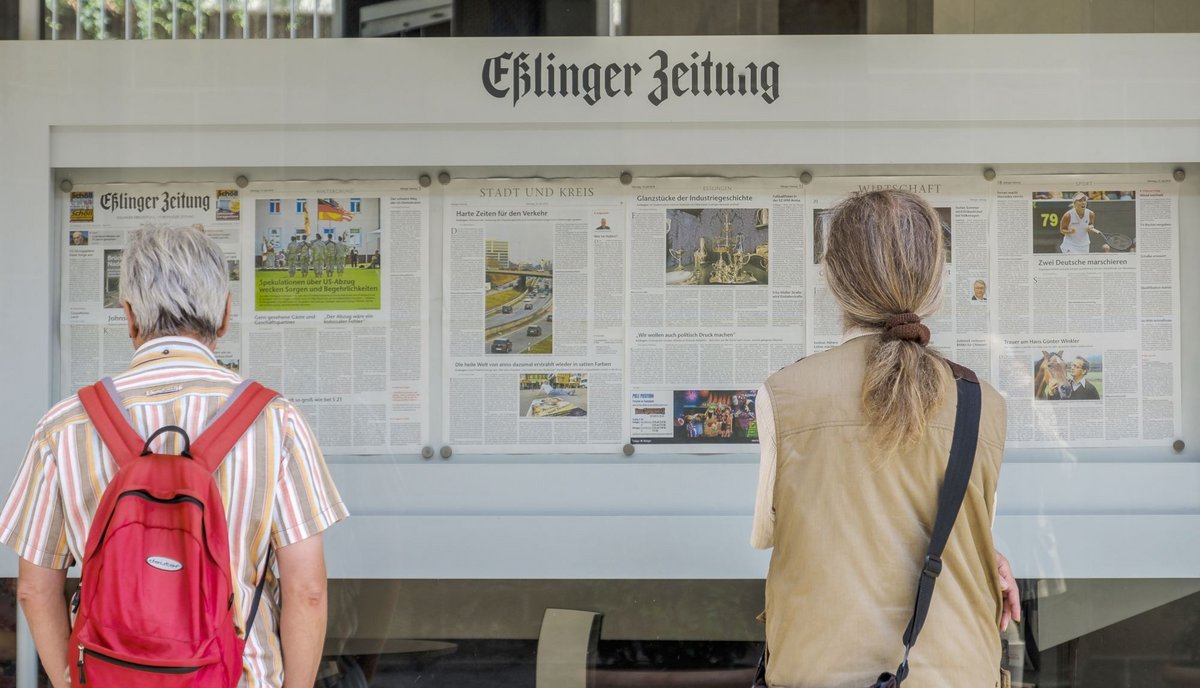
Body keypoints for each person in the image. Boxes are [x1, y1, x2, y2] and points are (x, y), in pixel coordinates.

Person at [0, 225, 347, 688]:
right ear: (225, 315)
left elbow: (34, 589)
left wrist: (72, 681)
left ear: (128, 316)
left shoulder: (64, 425)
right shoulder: (276, 422)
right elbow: (306, 592)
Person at [751, 190, 1019, 687]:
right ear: (934, 279)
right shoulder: (983, 402)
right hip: (959, 670)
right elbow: (954, 522)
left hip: (820, 671)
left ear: (834, 277)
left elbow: (772, 534)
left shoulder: (783, 394)